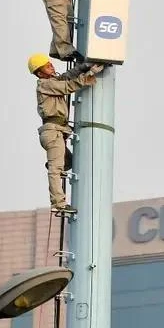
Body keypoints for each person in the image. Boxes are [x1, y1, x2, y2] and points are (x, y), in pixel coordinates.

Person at [27, 53, 105, 212]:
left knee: (69, 162)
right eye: (47, 66)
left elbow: (67, 76)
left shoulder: (52, 81)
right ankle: (59, 204)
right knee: (56, 169)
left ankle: (54, 163)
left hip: (57, 131)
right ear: (40, 73)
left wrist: (84, 66)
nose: (52, 67)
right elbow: (68, 86)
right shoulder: (44, 84)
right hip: (53, 132)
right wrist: (89, 74)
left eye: (50, 64)